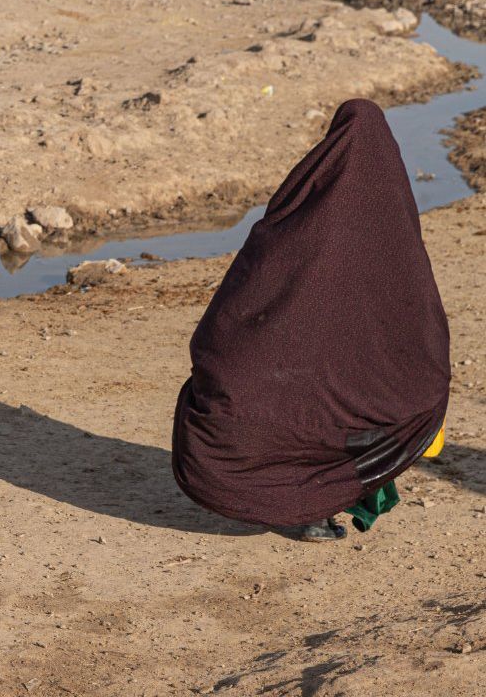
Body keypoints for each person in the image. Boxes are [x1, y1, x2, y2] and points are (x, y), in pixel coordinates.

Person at [172, 99, 449, 541]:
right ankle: (315, 502)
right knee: (356, 404)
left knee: (308, 403)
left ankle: (309, 504)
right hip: (352, 393)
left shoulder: (302, 204)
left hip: (309, 389)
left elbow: (246, 291)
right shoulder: (392, 218)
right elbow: (420, 319)